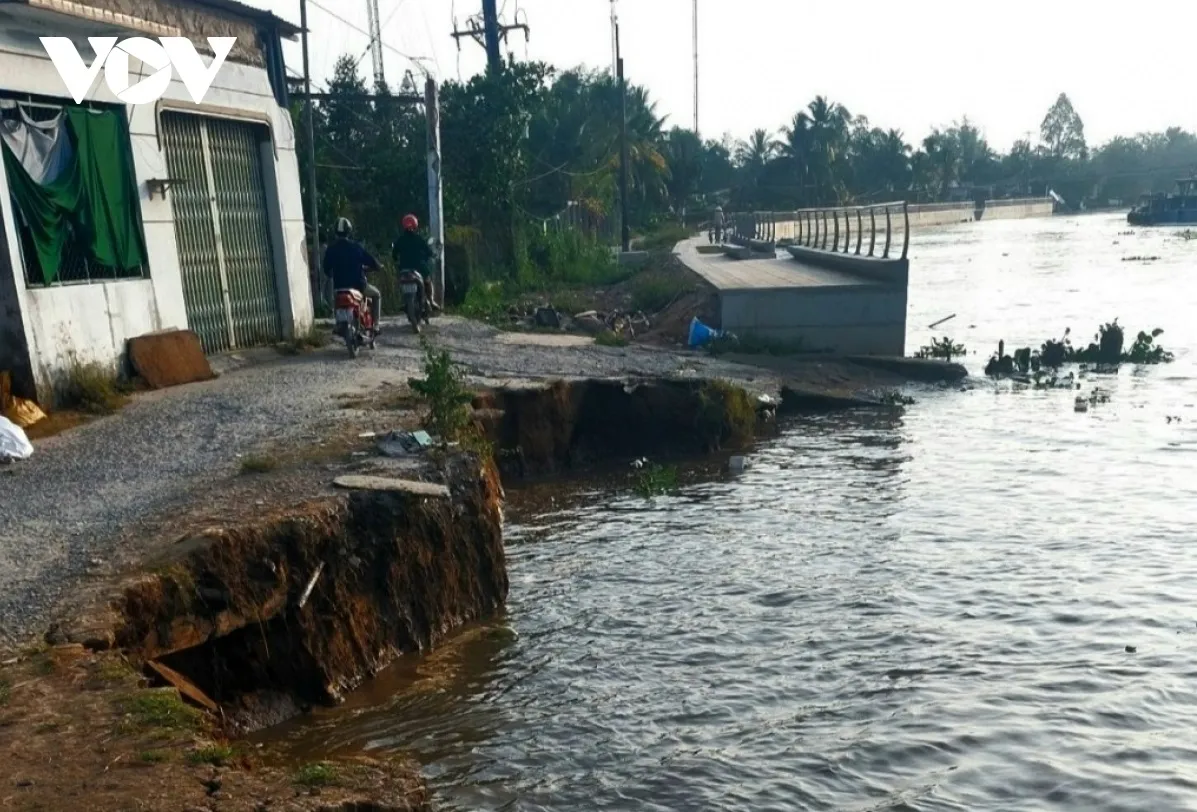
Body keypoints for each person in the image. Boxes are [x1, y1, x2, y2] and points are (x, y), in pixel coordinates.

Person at [322, 217, 381, 332]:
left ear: (335, 231)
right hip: (358, 285)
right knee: (377, 294)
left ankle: (338, 323)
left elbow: (326, 268)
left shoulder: (331, 249)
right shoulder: (356, 247)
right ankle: (376, 325)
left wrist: (331, 274)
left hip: (339, 287)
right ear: (349, 231)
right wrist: (377, 266)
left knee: (336, 302)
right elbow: (371, 260)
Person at [391, 213, 438, 311]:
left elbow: (394, 254)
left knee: (400, 283)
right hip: (419, 267)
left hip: (404, 268)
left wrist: (397, 261)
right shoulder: (419, 238)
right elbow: (428, 251)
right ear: (416, 225)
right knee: (428, 280)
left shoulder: (400, 240)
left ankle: (404, 301)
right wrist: (432, 254)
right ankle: (431, 300)